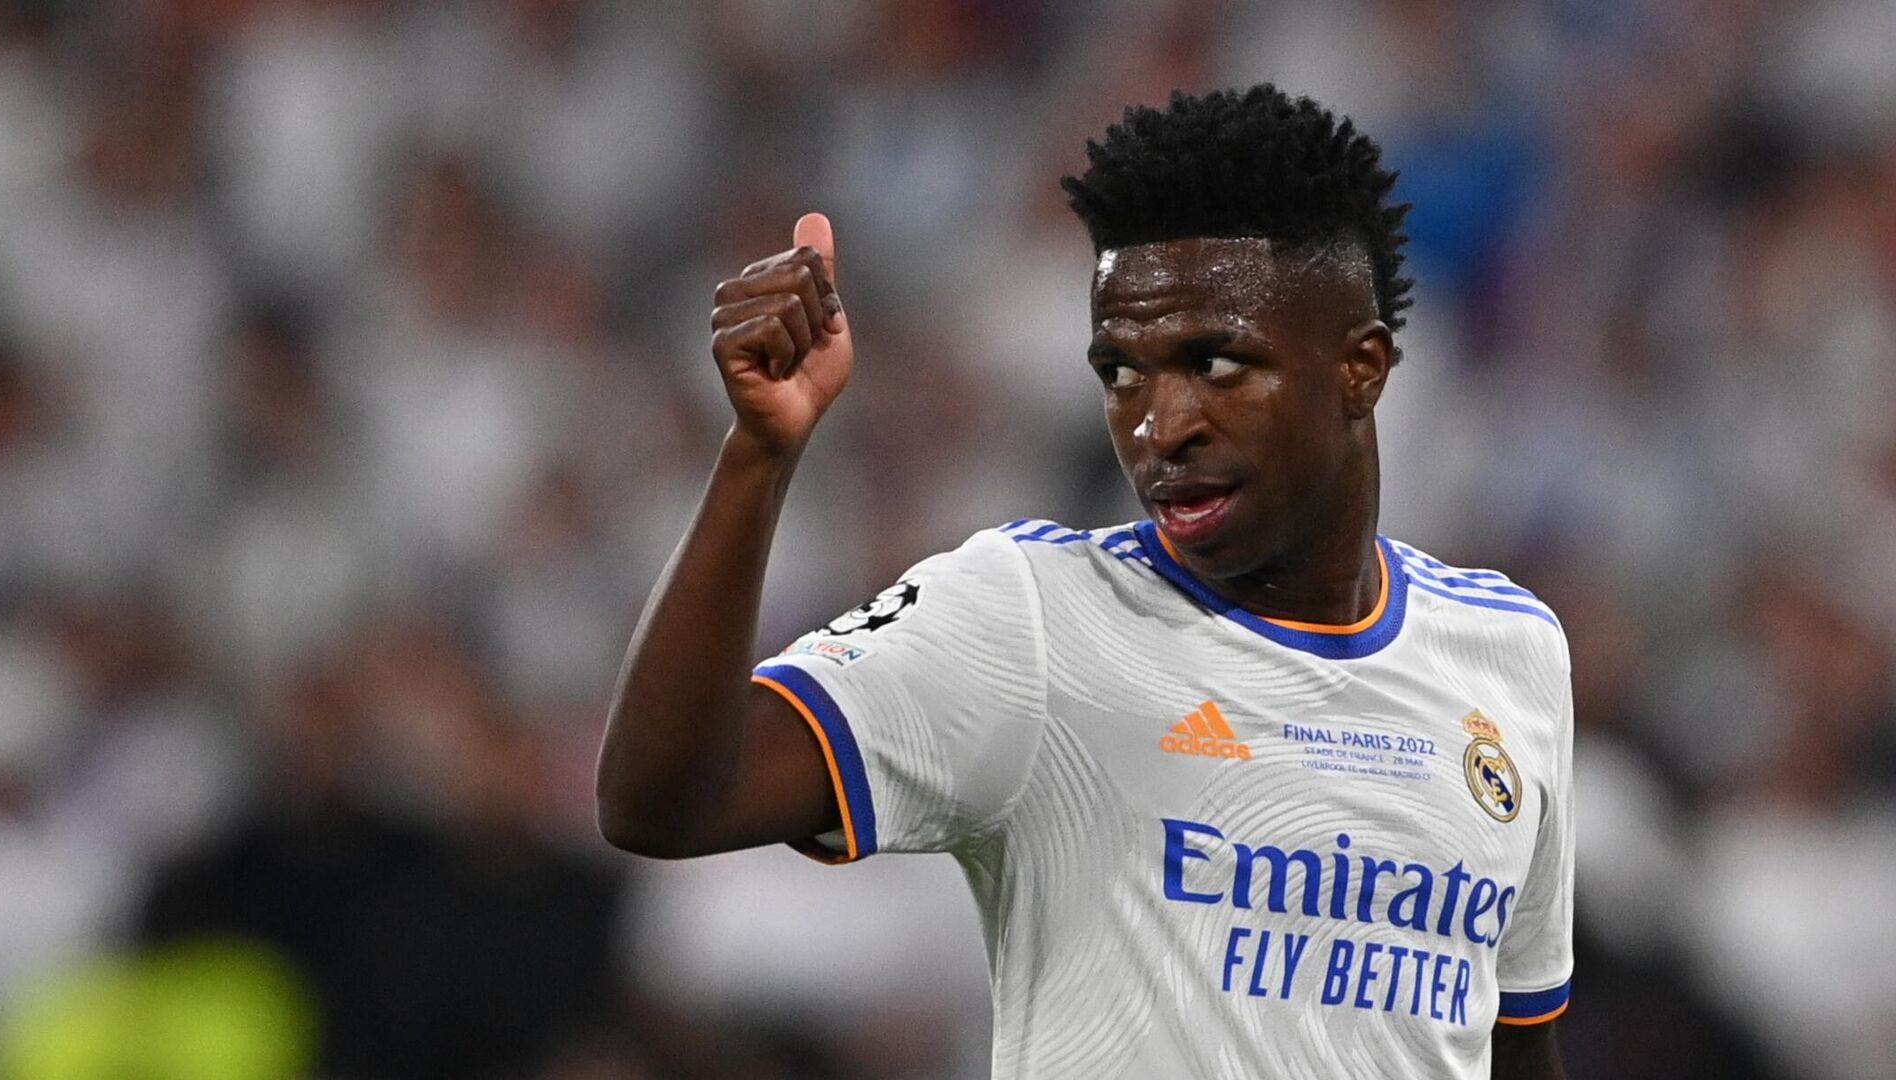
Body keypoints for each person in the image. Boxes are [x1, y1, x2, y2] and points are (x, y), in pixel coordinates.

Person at [598, 85, 1572, 1080]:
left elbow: (1516, 1052)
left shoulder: (1512, 654)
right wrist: (757, 457)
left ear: (1361, 368)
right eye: (1121, 372)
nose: (1160, 426)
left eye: (1216, 363)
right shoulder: (1032, 615)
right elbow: (663, 802)